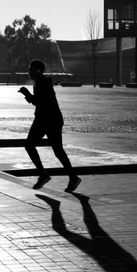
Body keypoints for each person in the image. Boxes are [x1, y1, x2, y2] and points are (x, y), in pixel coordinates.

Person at [18, 59, 81, 193]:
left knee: (57, 151)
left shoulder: (43, 84)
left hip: (51, 121)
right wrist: (29, 95)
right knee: (30, 146)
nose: (29, 71)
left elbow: (39, 102)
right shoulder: (39, 82)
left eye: (31, 69)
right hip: (42, 120)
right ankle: (44, 174)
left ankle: (71, 177)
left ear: (38, 70)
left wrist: (27, 94)